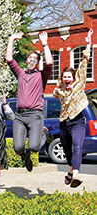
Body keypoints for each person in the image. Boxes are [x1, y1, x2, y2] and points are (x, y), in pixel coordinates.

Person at [6, 31, 53, 172]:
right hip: (19, 116)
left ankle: (43, 134)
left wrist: (45, 44)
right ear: (27, 61)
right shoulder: (20, 73)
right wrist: (12, 39)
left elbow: (49, 63)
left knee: (34, 146)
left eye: (35, 58)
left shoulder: (41, 75)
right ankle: (25, 156)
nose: (32, 59)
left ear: (37, 62)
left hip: (35, 115)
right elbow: (9, 59)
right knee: (18, 148)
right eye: (30, 57)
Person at [53, 29, 93, 188]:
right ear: (62, 79)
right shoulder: (60, 89)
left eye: (69, 76)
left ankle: (76, 175)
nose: (67, 79)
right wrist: (57, 89)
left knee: (77, 146)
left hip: (77, 122)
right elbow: (56, 93)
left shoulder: (79, 84)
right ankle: (70, 171)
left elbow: (84, 62)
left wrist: (88, 44)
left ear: (73, 77)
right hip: (64, 122)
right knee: (67, 150)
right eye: (65, 77)